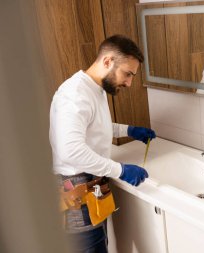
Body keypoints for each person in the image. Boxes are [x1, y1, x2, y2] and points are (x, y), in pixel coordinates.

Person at [49, 35, 156, 252]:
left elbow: (96, 124)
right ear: (107, 61)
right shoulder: (75, 94)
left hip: (93, 186)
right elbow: (70, 151)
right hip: (77, 191)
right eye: (127, 74)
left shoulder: (95, 89)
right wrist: (120, 170)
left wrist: (129, 130)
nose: (129, 82)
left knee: (101, 245)